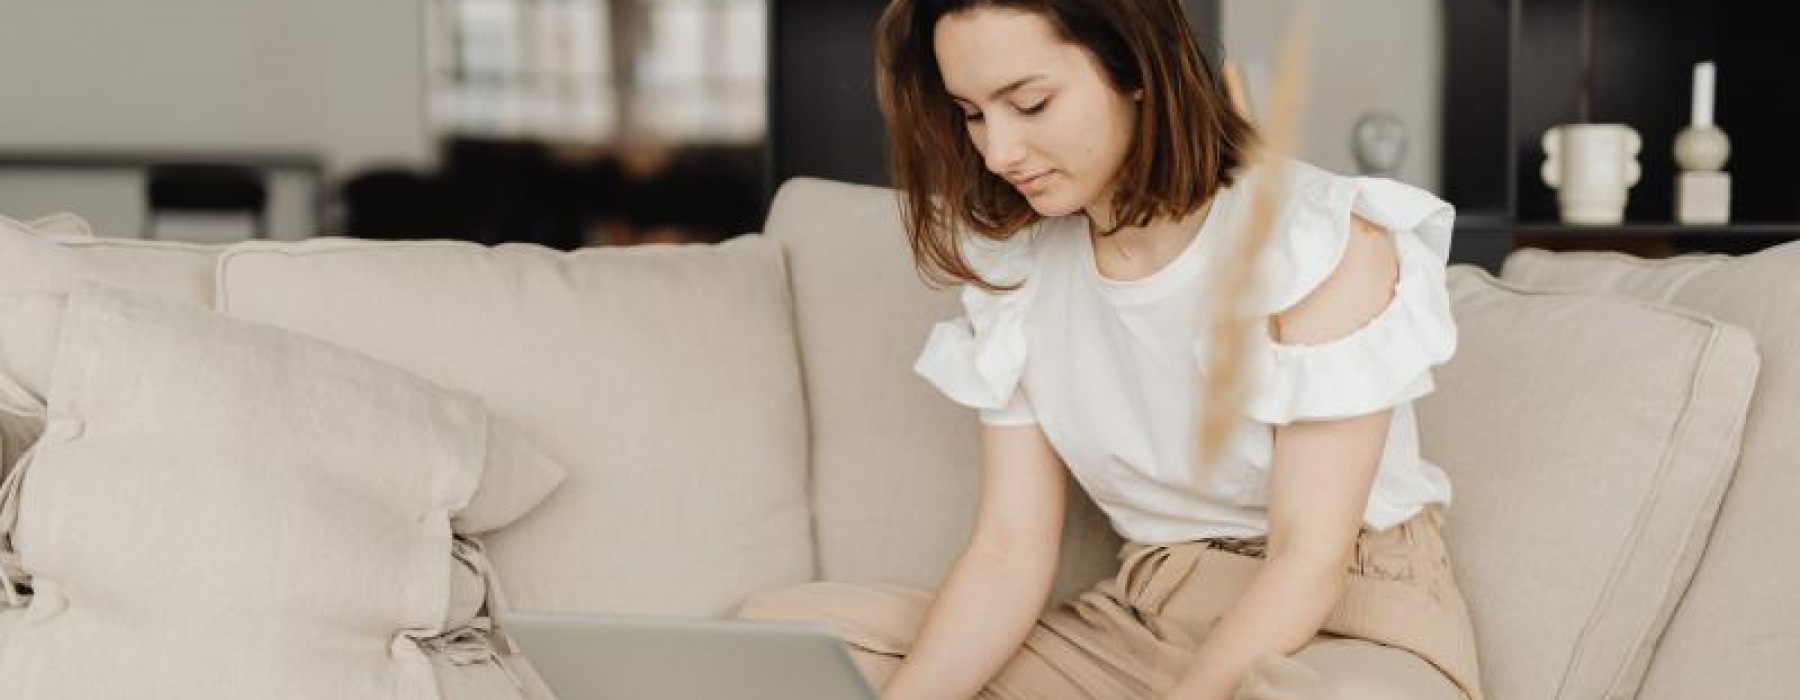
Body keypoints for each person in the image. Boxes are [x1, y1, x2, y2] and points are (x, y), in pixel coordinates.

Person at [738, 1, 1483, 698]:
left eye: (1030, 104)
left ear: (1135, 69)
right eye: (971, 114)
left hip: (1344, 618)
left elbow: (1306, 560)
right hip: (1151, 616)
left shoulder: (1315, 243)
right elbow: (1007, 555)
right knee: (792, 642)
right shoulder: (1020, 272)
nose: (999, 151)